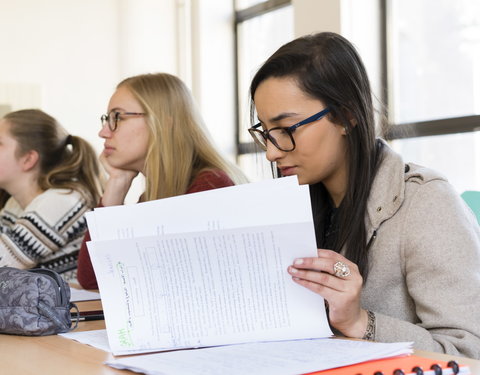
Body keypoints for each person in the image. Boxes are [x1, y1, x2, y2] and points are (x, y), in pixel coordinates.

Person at [248, 32, 480, 358]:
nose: (272, 152)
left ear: (346, 116)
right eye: (265, 132)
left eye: (287, 129)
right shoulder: (299, 204)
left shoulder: (427, 203)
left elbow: (468, 353)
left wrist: (361, 322)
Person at [77, 72, 247, 289]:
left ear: (163, 123)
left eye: (117, 117)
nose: (103, 132)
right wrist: (116, 186)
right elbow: (92, 280)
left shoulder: (209, 187)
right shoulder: (153, 196)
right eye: (107, 119)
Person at [0, 109, 102, 281]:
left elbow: (4, 264)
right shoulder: (14, 204)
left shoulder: (63, 200)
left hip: (77, 307)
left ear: (28, 159)